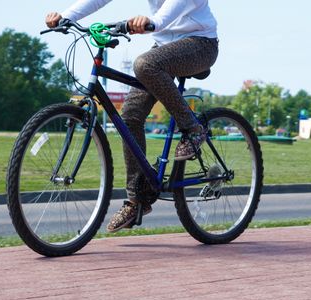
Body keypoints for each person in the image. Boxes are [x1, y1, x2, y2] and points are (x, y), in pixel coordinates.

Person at [46, 0, 219, 232]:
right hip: (163, 46)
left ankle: (193, 129)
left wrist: (154, 22)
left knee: (144, 64)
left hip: (200, 44)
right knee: (129, 118)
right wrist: (66, 17)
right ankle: (137, 198)